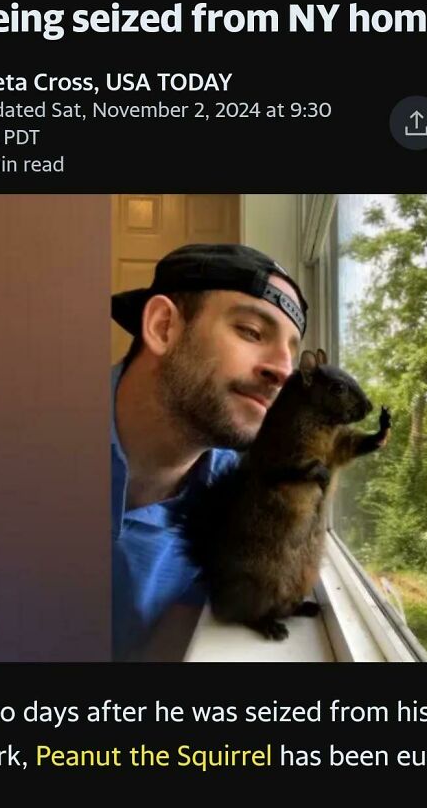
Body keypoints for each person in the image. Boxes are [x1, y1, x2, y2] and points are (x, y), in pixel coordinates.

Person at [110, 243, 309, 660]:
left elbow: (174, 628)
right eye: (252, 332)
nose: (284, 372)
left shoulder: (244, 502)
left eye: (293, 355)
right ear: (164, 327)